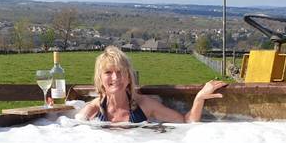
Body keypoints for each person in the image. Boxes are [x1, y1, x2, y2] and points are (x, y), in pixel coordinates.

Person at [76, 46, 227, 123]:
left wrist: (199, 98)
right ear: (100, 79)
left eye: (120, 72)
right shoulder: (95, 109)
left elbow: (186, 121)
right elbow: (73, 130)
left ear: (129, 77)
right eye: (108, 72)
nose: (115, 77)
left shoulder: (145, 105)